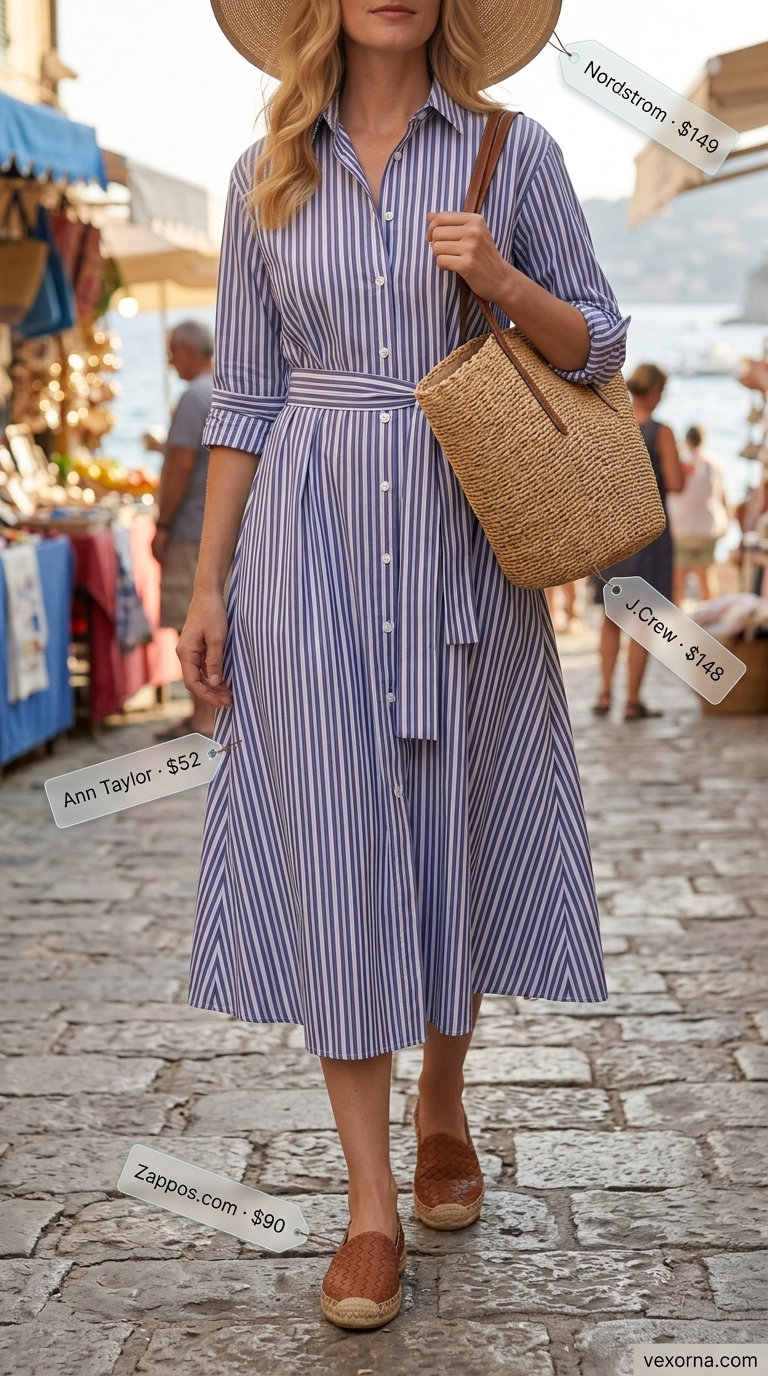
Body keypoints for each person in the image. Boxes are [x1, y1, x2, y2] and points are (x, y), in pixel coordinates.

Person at [178, 0, 627, 1330]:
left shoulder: (514, 149)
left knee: (453, 826)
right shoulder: (264, 174)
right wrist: (206, 588)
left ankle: (445, 1097)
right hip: (302, 541)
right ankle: (369, 1202)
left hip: (462, 532)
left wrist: (501, 282)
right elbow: (246, 396)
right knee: (331, 840)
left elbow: (600, 344)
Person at [594, 364, 684, 721]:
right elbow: (675, 483)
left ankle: (603, 694)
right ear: (656, 391)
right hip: (647, 535)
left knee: (609, 618)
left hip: (611, 533)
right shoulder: (661, 432)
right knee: (643, 620)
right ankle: (632, 700)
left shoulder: (610, 423)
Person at [145, 320, 215, 738]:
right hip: (211, 528)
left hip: (190, 529)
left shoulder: (193, 396)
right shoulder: (221, 388)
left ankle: (202, 718)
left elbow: (181, 464)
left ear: (189, 350)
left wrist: (163, 522)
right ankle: (204, 715)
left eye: (173, 351)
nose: (170, 361)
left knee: (189, 622)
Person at [669, 425, 729, 604]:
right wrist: (728, 524)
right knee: (706, 580)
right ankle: (710, 621)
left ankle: (674, 623)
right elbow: (724, 499)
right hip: (707, 529)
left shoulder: (678, 463)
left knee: (677, 582)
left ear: (686, 439)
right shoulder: (714, 464)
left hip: (681, 529)